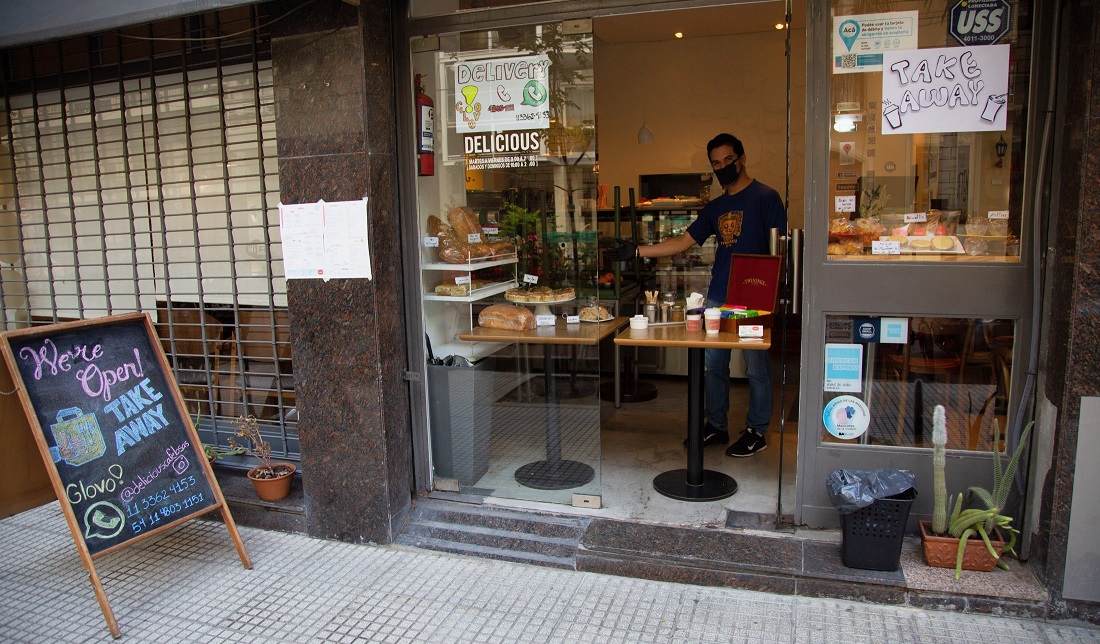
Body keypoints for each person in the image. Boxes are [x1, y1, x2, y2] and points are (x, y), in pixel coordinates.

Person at [604, 133, 786, 457]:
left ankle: (757, 430)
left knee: (756, 366)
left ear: (742, 159)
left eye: (728, 160)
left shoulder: (766, 197)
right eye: (716, 163)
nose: (722, 167)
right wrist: (637, 251)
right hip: (718, 297)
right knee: (713, 365)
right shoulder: (716, 207)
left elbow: (779, 249)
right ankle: (715, 425)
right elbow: (682, 242)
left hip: (753, 298)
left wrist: (773, 294)